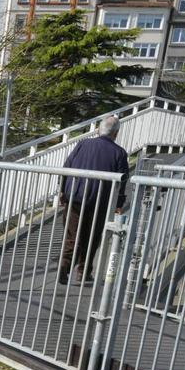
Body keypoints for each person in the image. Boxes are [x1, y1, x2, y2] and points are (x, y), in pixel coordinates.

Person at [58, 115, 129, 285]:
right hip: (99, 202)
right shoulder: (119, 153)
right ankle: (83, 272)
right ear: (116, 133)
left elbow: (67, 167)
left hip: (74, 197)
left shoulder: (83, 144)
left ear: (98, 130)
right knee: (92, 238)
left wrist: (62, 191)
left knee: (72, 236)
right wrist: (118, 204)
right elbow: (122, 181)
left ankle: (64, 267)